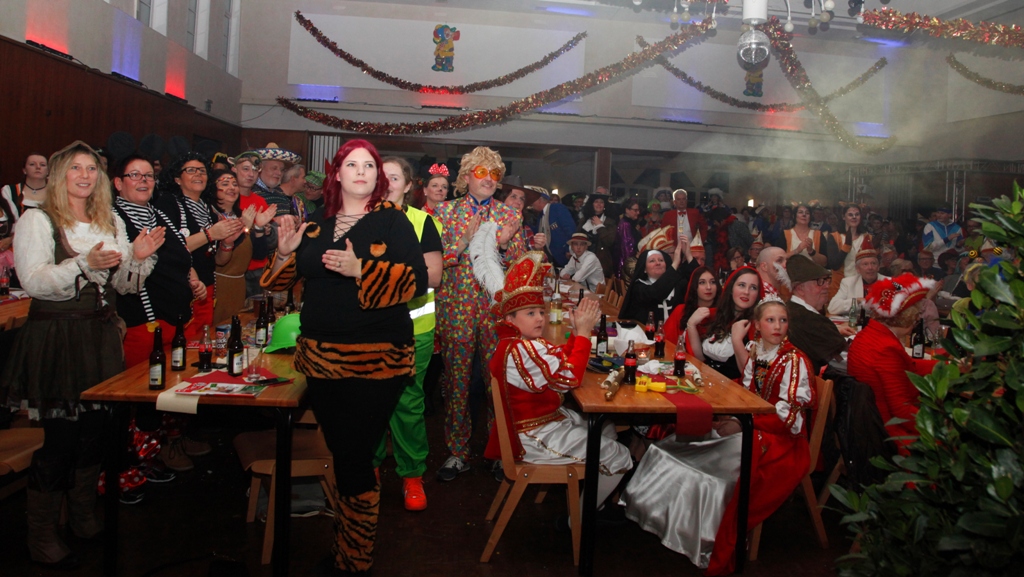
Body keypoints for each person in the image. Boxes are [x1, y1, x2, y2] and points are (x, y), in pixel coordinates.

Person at [261, 139, 428, 573]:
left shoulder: (393, 221)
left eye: (369, 166)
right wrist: (284, 254)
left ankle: (354, 559)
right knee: (343, 451)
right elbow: (279, 283)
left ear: (378, 177)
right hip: (321, 359)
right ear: (337, 173)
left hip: (377, 359)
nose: (361, 172)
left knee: (354, 456)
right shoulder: (318, 221)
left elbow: (417, 280)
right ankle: (348, 550)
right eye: (351, 165)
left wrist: (361, 270)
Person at [2, 141, 163, 568]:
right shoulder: (38, 219)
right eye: (76, 168)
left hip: (100, 336)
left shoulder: (108, 219)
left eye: (91, 168)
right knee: (61, 438)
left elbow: (124, 285)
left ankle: (82, 514)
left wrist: (137, 259)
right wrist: (82, 264)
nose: (85, 175)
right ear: (60, 174)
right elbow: (34, 282)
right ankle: (41, 533)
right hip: (58, 337)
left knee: (96, 431)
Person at [621, 297, 814, 575]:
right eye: (770, 320)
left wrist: (743, 422)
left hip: (781, 443)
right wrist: (734, 416)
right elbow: (748, 390)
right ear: (757, 325)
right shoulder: (757, 350)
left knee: (706, 472)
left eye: (782, 321)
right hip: (752, 426)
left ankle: (703, 538)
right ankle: (673, 527)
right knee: (672, 450)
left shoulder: (794, 361)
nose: (777, 326)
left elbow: (791, 419)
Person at [485, 253, 632, 510]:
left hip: (540, 422)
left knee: (606, 428)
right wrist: (584, 334)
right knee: (620, 456)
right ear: (509, 320)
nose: (540, 318)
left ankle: (594, 499)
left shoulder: (520, 343)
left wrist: (576, 333)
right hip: (532, 436)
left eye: (541, 311)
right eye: (530, 313)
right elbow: (569, 379)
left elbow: (559, 359)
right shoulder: (522, 349)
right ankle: (584, 517)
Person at [434, 146, 527, 482]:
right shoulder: (444, 212)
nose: (489, 179)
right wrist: (462, 243)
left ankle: (498, 452)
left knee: (496, 383)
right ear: (466, 177)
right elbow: (435, 262)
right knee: (456, 383)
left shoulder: (509, 215)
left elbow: (519, 265)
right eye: (482, 172)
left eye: (494, 174)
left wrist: (503, 244)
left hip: (495, 313)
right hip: (455, 309)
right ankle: (457, 452)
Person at [377, 156, 444, 511]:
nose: (386, 182)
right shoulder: (358, 218)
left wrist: (371, 272)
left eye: (394, 177)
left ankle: (412, 475)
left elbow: (433, 276)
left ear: (407, 185)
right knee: (368, 400)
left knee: (408, 402)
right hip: (366, 328)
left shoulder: (422, 221)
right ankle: (369, 467)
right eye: (381, 176)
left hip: (413, 329)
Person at [848, 273, 939, 456]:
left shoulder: (868, 334)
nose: (918, 317)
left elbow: (904, 366)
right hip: (887, 434)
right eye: (917, 312)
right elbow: (902, 411)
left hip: (868, 426)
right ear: (907, 316)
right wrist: (939, 430)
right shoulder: (886, 348)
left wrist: (943, 366)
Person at [154, 153, 244, 337]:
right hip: (180, 289)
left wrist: (227, 243)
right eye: (191, 170)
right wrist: (210, 234)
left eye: (202, 171)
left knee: (202, 342)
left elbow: (219, 260)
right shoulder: (168, 203)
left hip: (207, 288)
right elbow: (169, 248)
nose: (198, 174)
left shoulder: (208, 210)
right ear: (177, 179)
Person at [211, 169, 273, 324]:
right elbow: (219, 257)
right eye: (225, 184)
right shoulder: (210, 216)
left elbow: (259, 255)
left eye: (234, 184)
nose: (232, 188)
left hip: (239, 284)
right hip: (217, 284)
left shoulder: (241, 215)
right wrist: (245, 226)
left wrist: (258, 228)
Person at [686, 266, 762, 380]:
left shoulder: (757, 327)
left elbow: (750, 376)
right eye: (742, 285)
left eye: (753, 288)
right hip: (705, 380)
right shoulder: (717, 316)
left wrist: (737, 340)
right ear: (731, 288)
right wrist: (691, 325)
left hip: (733, 388)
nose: (746, 292)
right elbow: (700, 359)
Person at [785, 255, 853, 375]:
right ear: (800, 289)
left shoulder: (791, 309)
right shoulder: (808, 320)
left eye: (826, 280)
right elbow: (846, 361)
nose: (827, 286)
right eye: (819, 282)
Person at [230, 151, 276, 298]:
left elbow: (271, 241)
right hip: (235, 270)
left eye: (255, 170)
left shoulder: (260, 201)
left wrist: (267, 231)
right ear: (234, 169)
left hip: (259, 268)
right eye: (245, 169)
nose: (251, 174)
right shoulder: (227, 199)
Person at [617, 242, 684, 324]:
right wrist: (675, 263)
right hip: (645, 331)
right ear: (644, 269)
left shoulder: (677, 284)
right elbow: (655, 293)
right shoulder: (638, 287)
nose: (658, 263)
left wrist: (688, 255)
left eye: (661, 260)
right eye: (652, 261)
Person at [827, 239, 888, 317]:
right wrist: (856, 301)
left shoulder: (889, 282)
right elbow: (832, 308)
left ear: (878, 267)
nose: (870, 267)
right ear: (858, 269)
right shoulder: (848, 283)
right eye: (865, 264)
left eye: (873, 263)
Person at [664, 266, 719, 351]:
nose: (709, 287)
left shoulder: (723, 313)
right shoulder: (681, 311)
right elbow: (667, 343)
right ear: (694, 286)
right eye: (702, 282)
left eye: (712, 282)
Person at [826, 204, 872, 298]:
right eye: (850, 215)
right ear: (843, 217)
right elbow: (834, 265)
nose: (854, 217)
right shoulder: (835, 237)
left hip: (860, 285)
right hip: (839, 286)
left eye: (857, 214)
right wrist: (847, 246)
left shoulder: (867, 237)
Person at [525, 183, 576, 268]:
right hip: (553, 257)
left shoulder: (557, 208)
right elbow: (537, 232)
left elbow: (570, 229)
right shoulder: (541, 216)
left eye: (532, 200)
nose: (531, 204)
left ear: (539, 200)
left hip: (565, 256)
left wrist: (569, 249)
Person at [577, 193, 618, 277]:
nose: (599, 204)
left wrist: (599, 226)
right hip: (582, 261)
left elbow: (609, 241)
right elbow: (576, 239)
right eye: (596, 202)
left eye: (601, 202)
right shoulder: (584, 221)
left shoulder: (610, 222)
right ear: (591, 204)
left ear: (605, 205)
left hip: (601, 263)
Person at [660, 188, 708, 254]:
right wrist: (669, 247)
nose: (681, 201)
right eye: (679, 199)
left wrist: (700, 242)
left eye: (683, 199)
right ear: (674, 202)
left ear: (686, 200)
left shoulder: (695, 213)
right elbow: (663, 232)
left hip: (692, 249)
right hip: (674, 249)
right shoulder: (668, 215)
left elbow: (704, 227)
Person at [2, 153, 49, 217]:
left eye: (42, 165)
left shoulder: (56, 192)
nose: (38, 167)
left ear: (47, 171)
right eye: (32, 164)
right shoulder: (9, 191)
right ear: (24, 170)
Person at [613, 198, 643, 276]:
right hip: (627, 266)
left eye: (638, 210)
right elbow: (628, 248)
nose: (638, 212)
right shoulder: (625, 224)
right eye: (635, 210)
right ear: (627, 210)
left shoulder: (630, 223)